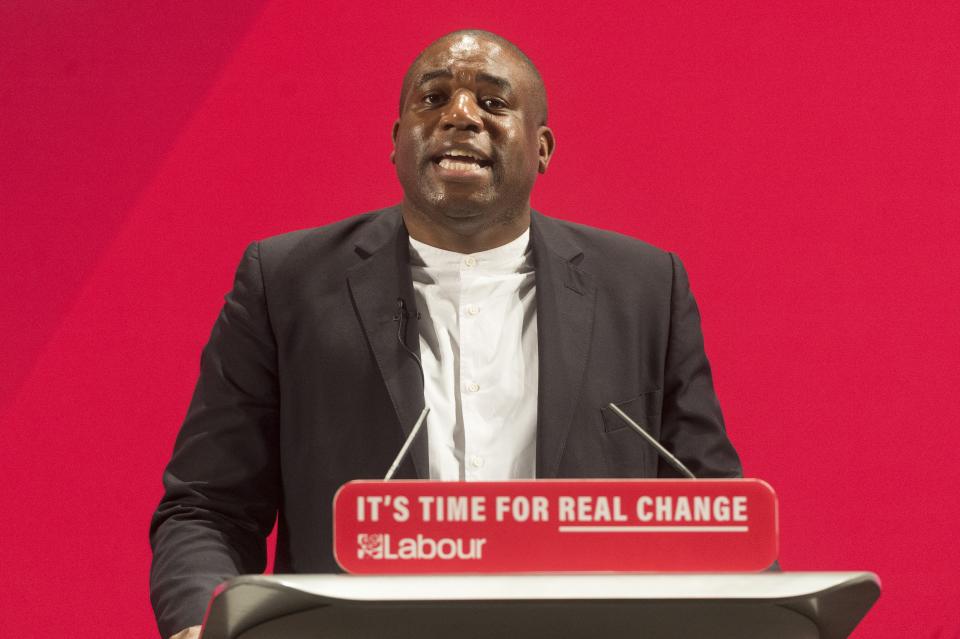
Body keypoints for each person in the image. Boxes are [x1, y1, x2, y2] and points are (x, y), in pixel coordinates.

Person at [150, 29, 742, 639]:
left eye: (492, 103)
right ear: (397, 141)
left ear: (541, 148)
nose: (460, 117)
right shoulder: (285, 284)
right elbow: (208, 508)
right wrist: (201, 626)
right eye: (433, 100)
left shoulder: (644, 288)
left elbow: (718, 519)